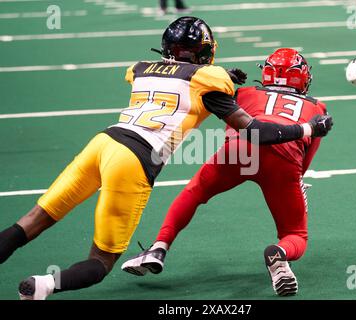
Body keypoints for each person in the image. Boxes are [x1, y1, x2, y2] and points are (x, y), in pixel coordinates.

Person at [0, 17, 332, 300]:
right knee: (100, 264)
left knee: (31, 220)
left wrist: (223, 78)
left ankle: (158, 246)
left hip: (102, 143)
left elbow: (179, 76)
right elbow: (254, 128)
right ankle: (43, 285)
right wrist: (307, 128)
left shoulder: (141, 69)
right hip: (133, 159)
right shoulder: (212, 81)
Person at [121, 48, 330, 296]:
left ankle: (159, 247)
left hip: (239, 150)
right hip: (283, 159)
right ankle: (280, 254)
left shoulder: (245, 92)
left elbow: (210, 99)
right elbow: (303, 165)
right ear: (302, 77)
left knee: (194, 192)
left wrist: (225, 78)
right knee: (295, 234)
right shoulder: (318, 108)